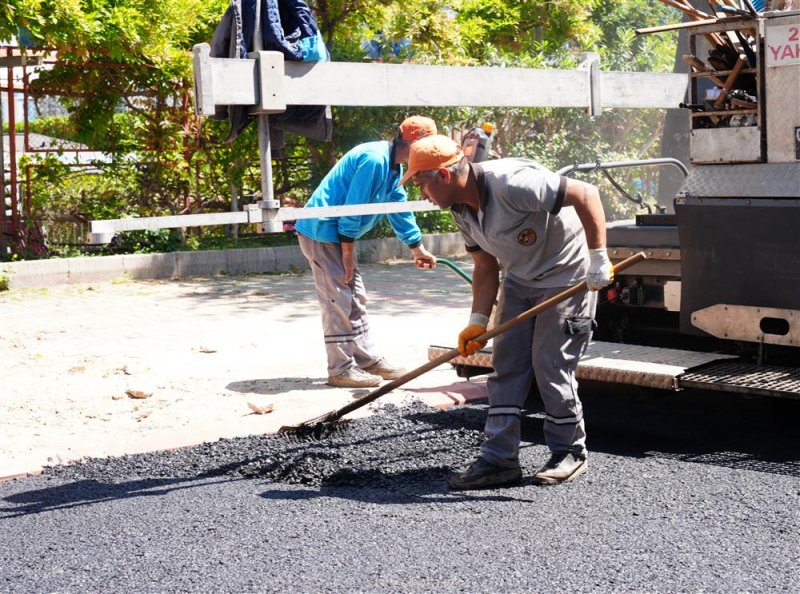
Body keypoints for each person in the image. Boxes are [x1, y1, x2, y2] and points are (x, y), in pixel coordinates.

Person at [399, 135, 613, 489]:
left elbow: (586, 193)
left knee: (550, 364)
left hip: (567, 276)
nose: (421, 193)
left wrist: (599, 258)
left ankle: (569, 452)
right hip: (519, 279)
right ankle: (499, 460)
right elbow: (484, 266)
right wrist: (477, 322)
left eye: (422, 184)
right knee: (506, 366)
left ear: (444, 176)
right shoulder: (460, 209)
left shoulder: (512, 182)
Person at [295, 116, 438, 388]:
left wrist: (416, 247)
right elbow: (353, 209)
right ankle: (340, 369)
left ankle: (367, 360)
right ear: (413, 142)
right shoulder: (374, 160)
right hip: (322, 232)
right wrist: (348, 256)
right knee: (337, 298)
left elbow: (398, 207)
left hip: (338, 235)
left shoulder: (392, 166)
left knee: (355, 296)